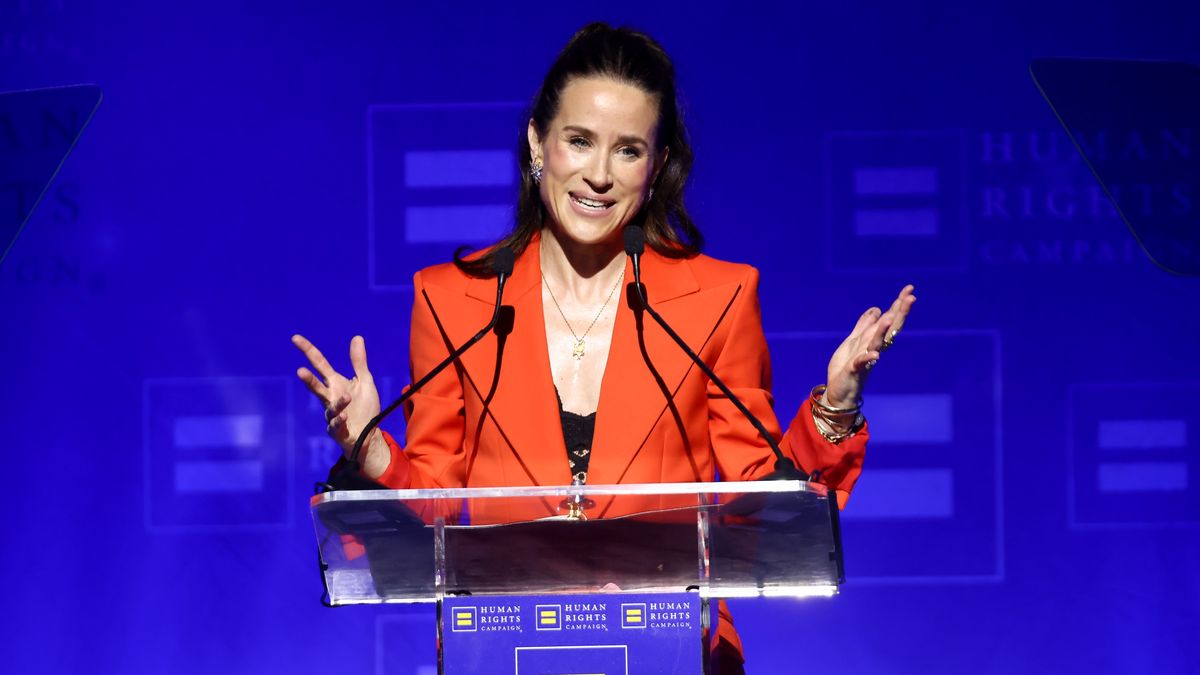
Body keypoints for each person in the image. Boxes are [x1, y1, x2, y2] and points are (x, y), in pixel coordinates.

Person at [293, 22, 914, 673]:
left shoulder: (720, 297)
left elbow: (756, 503)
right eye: (579, 141)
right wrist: (369, 446)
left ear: (658, 165)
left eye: (627, 150)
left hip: (676, 649)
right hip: (507, 647)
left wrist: (833, 412)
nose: (597, 175)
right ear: (538, 143)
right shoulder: (453, 301)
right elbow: (437, 502)